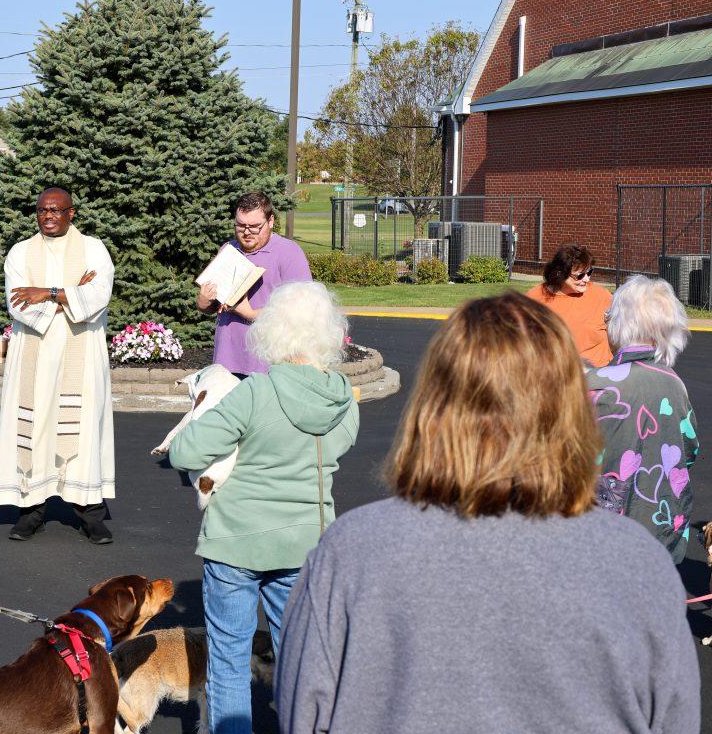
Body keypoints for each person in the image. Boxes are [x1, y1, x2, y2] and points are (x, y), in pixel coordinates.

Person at [275, 293, 699, 734]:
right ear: (572, 409)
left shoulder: (349, 554)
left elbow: (302, 714)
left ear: (433, 405)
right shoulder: (639, 565)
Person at [169, 281, 358, 734]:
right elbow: (338, 447)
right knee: (300, 660)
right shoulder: (345, 401)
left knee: (228, 661)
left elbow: (184, 452)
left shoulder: (254, 393)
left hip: (235, 542)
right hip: (305, 543)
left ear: (273, 330)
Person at [0, 187, 116, 543]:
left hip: (82, 355)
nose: (48, 216)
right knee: (35, 428)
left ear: (71, 213)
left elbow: (98, 297)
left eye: (56, 210)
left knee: (84, 428)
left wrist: (47, 292)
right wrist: (72, 292)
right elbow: (19, 305)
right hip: (35, 356)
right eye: (42, 210)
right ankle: (31, 512)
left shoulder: (94, 249)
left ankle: (90, 514)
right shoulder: (20, 252)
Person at [588, 275, 697, 564]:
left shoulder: (593, 385)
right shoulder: (675, 384)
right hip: (661, 530)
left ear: (619, 325)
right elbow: (689, 450)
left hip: (604, 536)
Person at [197, 191, 312, 378]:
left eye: (255, 226)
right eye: (241, 225)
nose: (247, 232)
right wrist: (204, 302)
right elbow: (214, 306)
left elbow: (301, 310)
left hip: (268, 366)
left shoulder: (289, 252)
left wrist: (248, 313)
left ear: (270, 221)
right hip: (226, 362)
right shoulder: (228, 249)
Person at [526, 243, 613, 366]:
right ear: (560, 273)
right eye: (580, 275)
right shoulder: (533, 299)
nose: (587, 279)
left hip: (599, 372)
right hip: (558, 372)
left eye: (589, 272)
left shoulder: (601, 295)